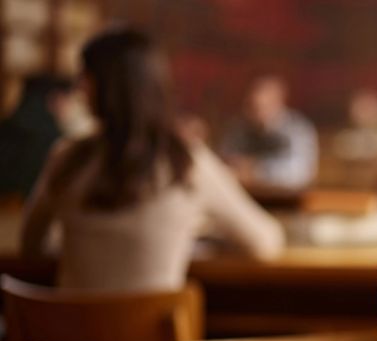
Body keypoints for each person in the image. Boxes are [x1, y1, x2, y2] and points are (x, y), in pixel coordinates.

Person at [21, 27, 285, 291]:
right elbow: (266, 242)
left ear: (96, 87)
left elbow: (31, 244)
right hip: (153, 331)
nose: (79, 88)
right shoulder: (186, 161)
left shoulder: (67, 157)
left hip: (64, 331)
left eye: (84, 77)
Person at [221, 76, 318, 192]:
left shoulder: (298, 129)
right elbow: (224, 163)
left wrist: (256, 170)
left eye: (264, 106)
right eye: (252, 106)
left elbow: (301, 172)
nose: (256, 113)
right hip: (245, 196)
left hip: (287, 201)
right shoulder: (239, 128)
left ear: (279, 102)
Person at [0, 75, 87, 200]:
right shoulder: (55, 141)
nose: (71, 106)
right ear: (56, 98)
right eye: (69, 99)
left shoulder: (10, 124)